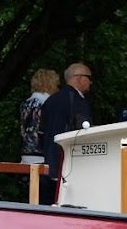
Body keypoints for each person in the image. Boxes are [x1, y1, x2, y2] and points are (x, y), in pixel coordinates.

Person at [39, 61, 95, 204]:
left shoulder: (50, 100)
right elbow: (84, 134)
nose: (91, 82)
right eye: (89, 77)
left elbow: (40, 132)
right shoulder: (78, 102)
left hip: (46, 164)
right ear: (79, 78)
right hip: (68, 166)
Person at [19, 68, 61, 164]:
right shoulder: (48, 104)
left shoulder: (25, 104)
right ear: (49, 85)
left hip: (26, 155)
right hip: (42, 157)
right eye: (57, 85)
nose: (58, 89)